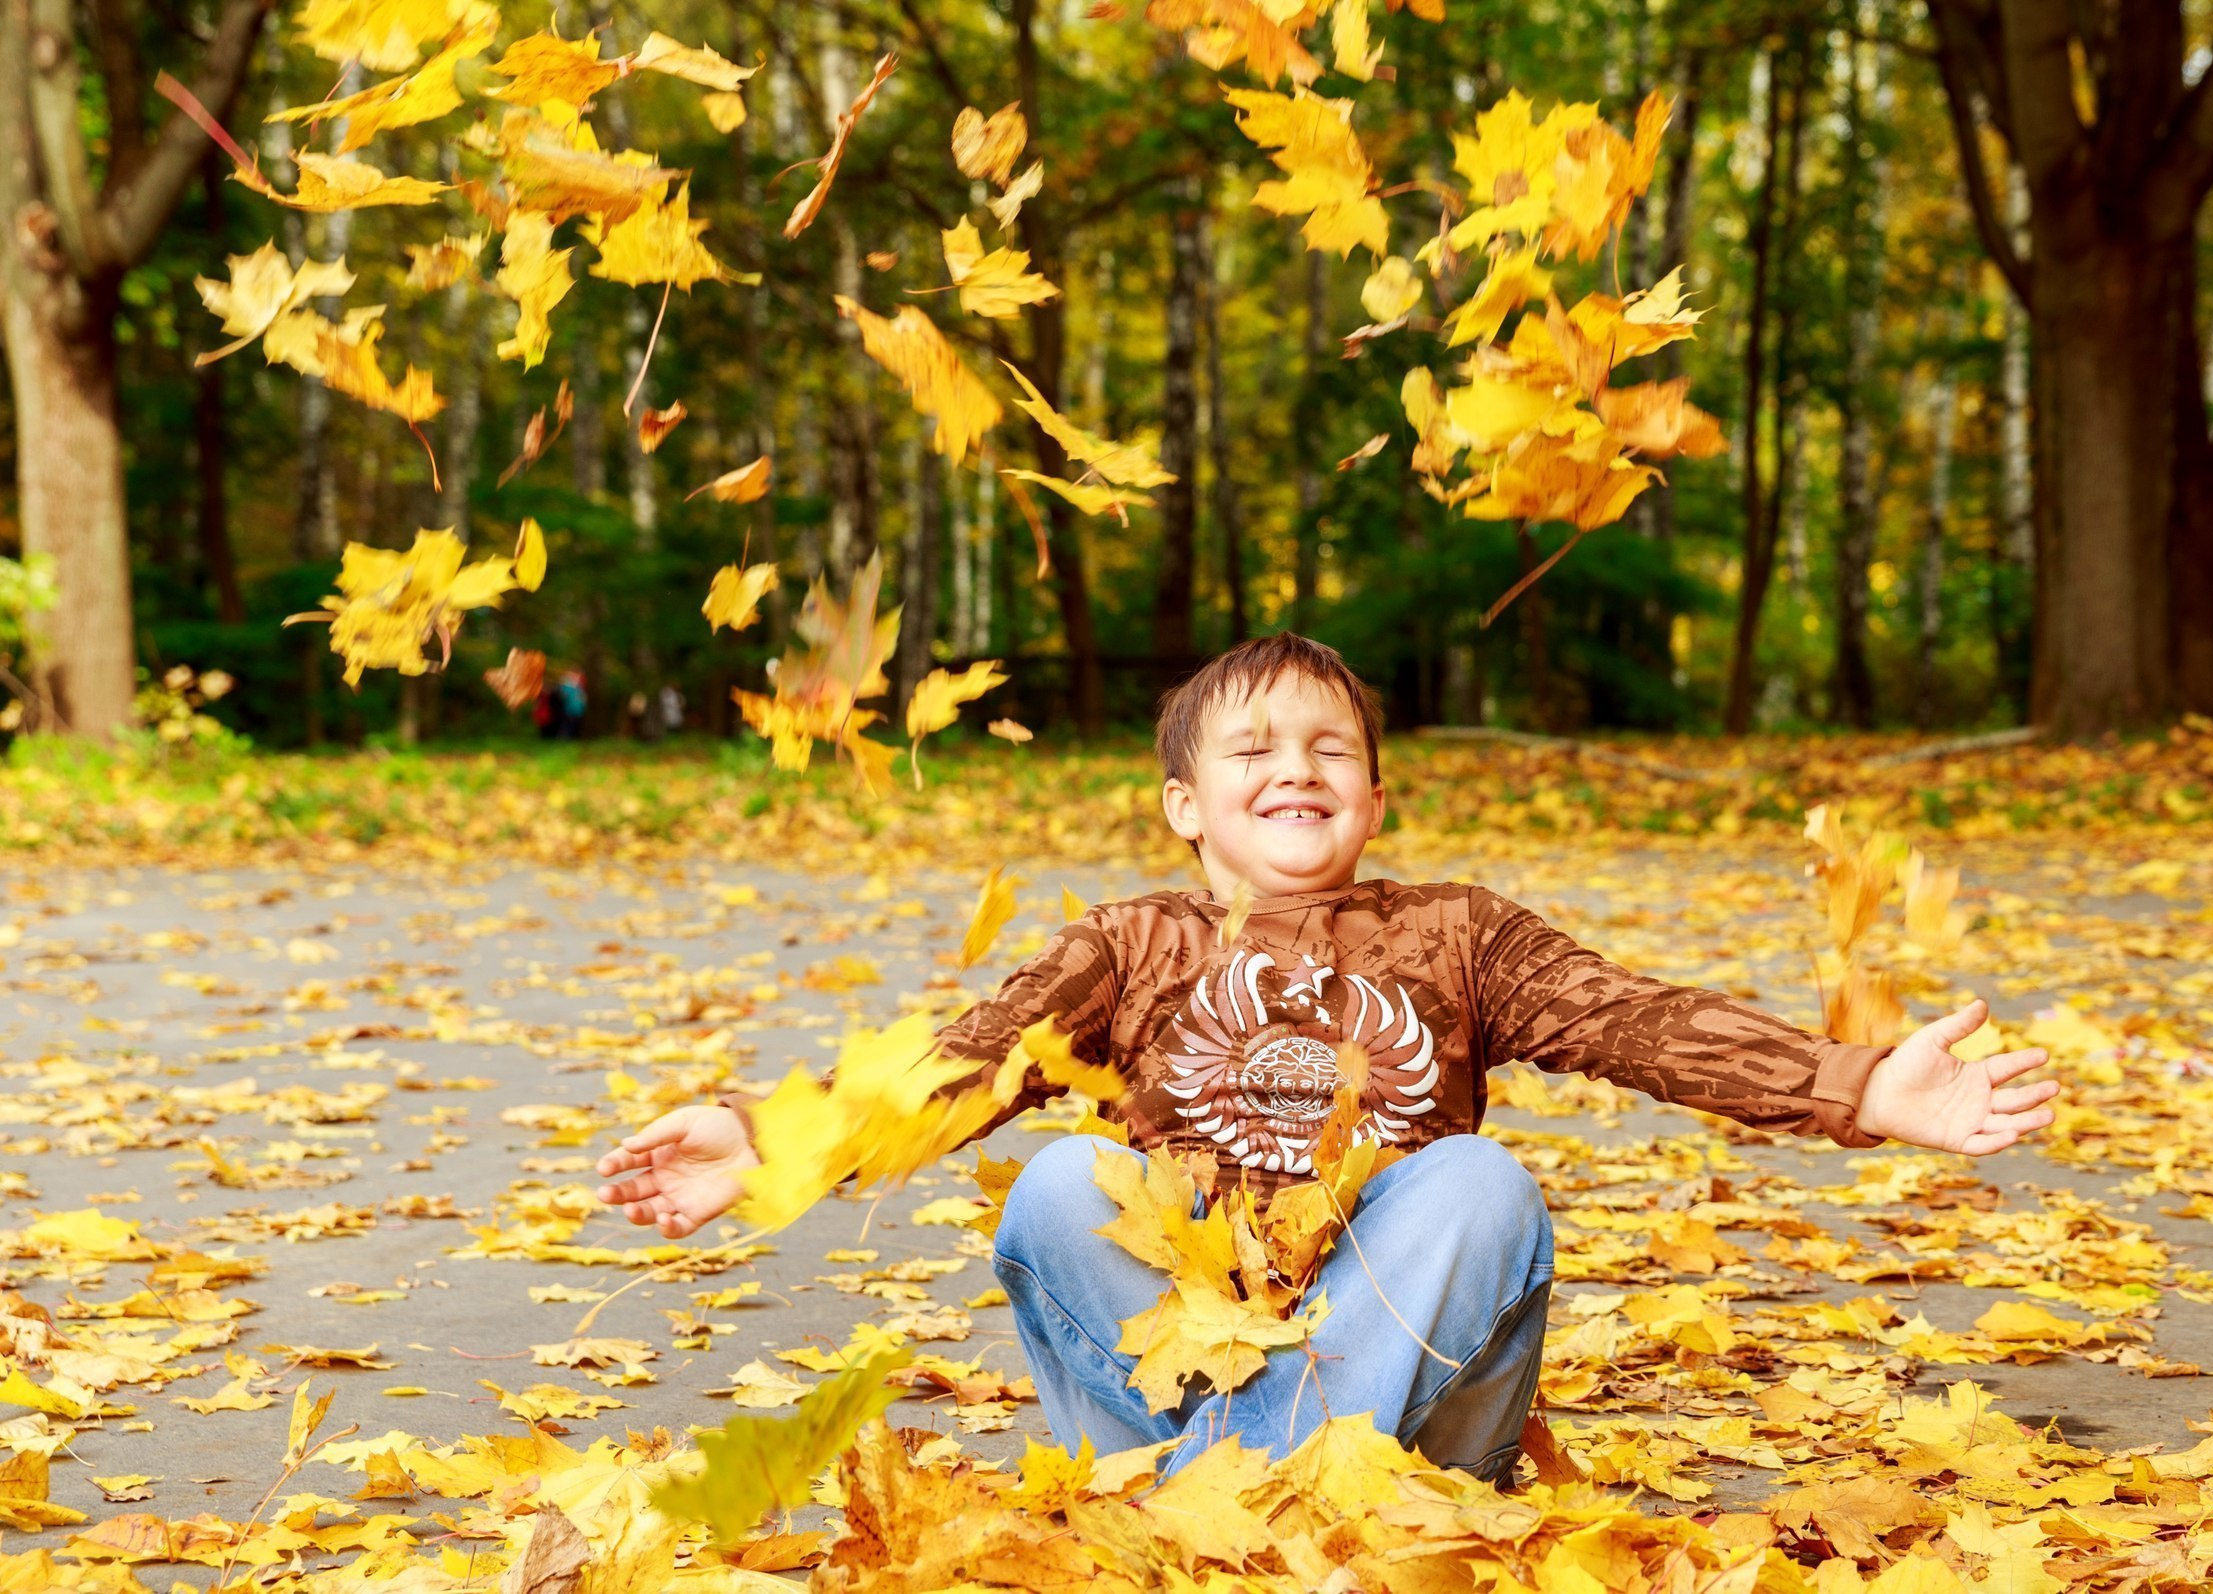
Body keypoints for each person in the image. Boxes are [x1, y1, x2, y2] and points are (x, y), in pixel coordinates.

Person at [596, 634, 2058, 1483]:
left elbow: (1638, 1021)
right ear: (1184, 803)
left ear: (1375, 790)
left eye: (1330, 746)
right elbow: (965, 1060)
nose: (1294, 765)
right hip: (1169, 1359)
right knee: (1055, 1185)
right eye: (1251, 750)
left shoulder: (1460, 934)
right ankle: (1259, 1499)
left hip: (1417, 1409)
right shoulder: (1131, 943)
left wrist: (1862, 1084)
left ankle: (1237, 1497)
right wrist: (771, 1139)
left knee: (1482, 1186)